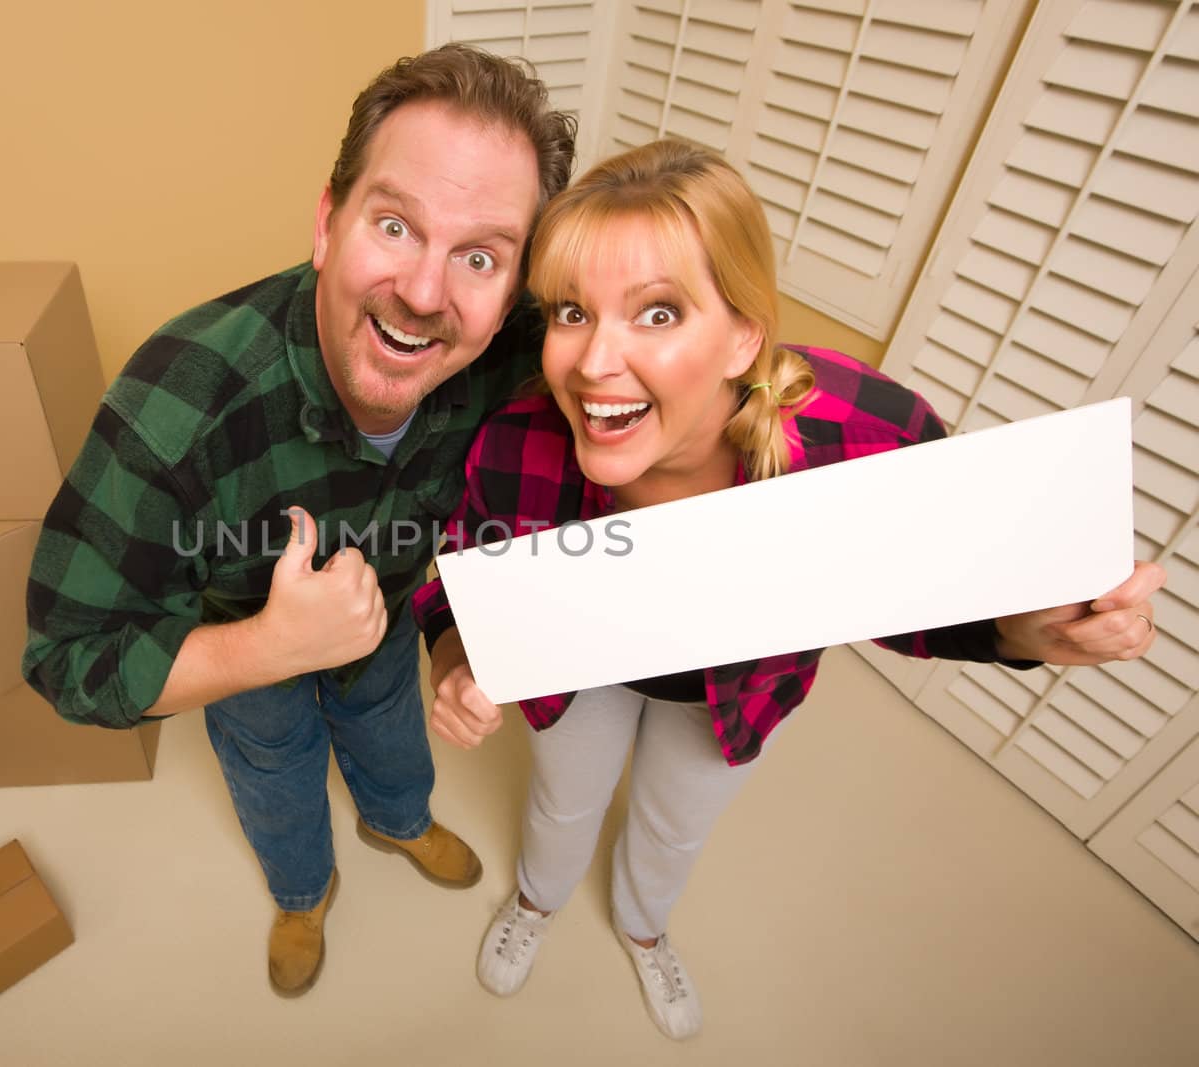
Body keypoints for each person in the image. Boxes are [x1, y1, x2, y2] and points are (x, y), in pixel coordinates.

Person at [413, 137, 1165, 1038]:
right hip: (583, 676)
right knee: (563, 801)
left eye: (657, 313)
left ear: (743, 334)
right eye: (573, 312)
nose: (593, 363)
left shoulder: (860, 431)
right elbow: (461, 568)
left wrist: (1026, 633)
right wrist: (457, 655)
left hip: (736, 687)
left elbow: (930, 587)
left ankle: (644, 927)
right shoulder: (515, 440)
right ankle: (537, 900)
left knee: (672, 823)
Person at [22, 45, 577, 997]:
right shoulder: (177, 404)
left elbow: (665, 399)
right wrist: (265, 648)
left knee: (398, 743)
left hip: (387, 631)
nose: (425, 292)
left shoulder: (516, 350)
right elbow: (65, 659)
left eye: (480, 254)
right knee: (275, 780)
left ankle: (396, 822)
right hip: (244, 651)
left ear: (516, 283)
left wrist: (450, 644)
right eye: (395, 224)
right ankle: (303, 893)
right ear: (328, 222)